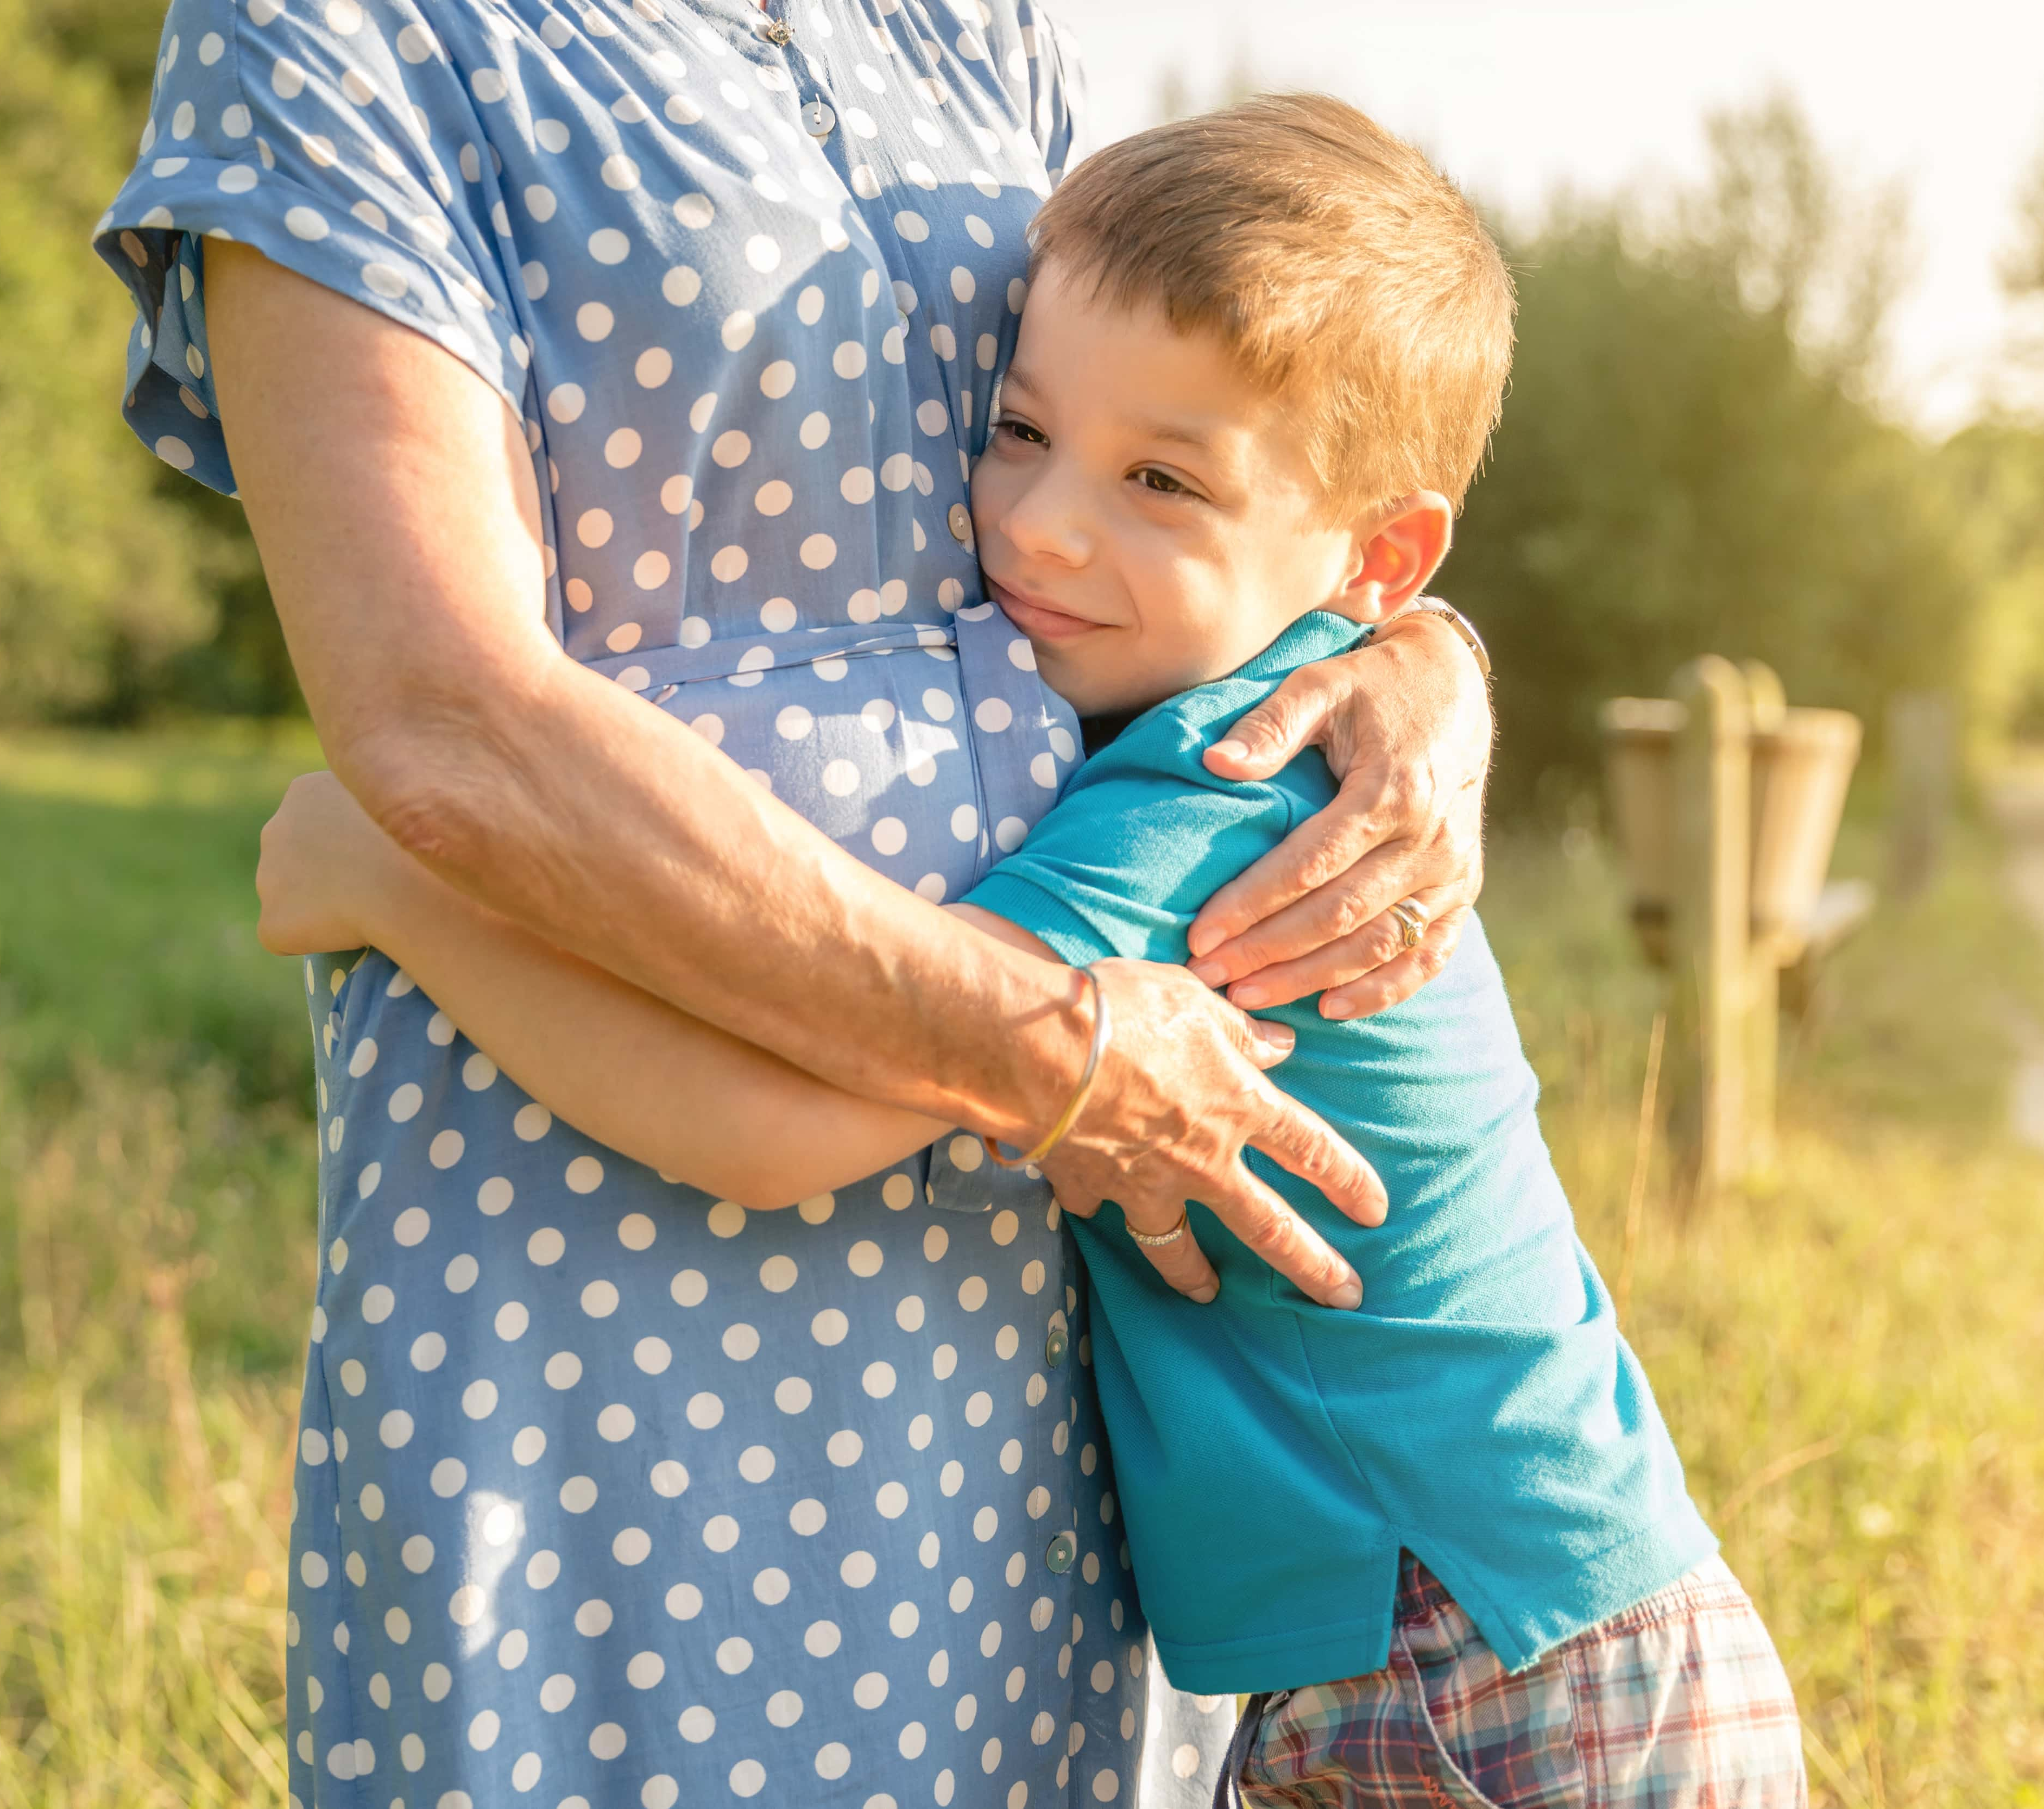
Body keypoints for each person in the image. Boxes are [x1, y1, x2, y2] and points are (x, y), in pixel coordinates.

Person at [256, 96, 1809, 1806]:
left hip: (1479, 1673)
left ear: (1380, 561)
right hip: (1532, 1636)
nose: (1045, 525)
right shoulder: (1234, 728)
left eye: (1162, 479)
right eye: (1016, 430)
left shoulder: (1205, 791)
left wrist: (399, 887)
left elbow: (788, 1130)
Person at [93, 0, 1496, 1800]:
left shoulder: (969, 22)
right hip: (608, 1152)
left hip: (1025, 1245)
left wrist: (1406, 657)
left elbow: (1217, 435)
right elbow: (441, 713)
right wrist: (1055, 1045)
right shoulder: (350, 31)